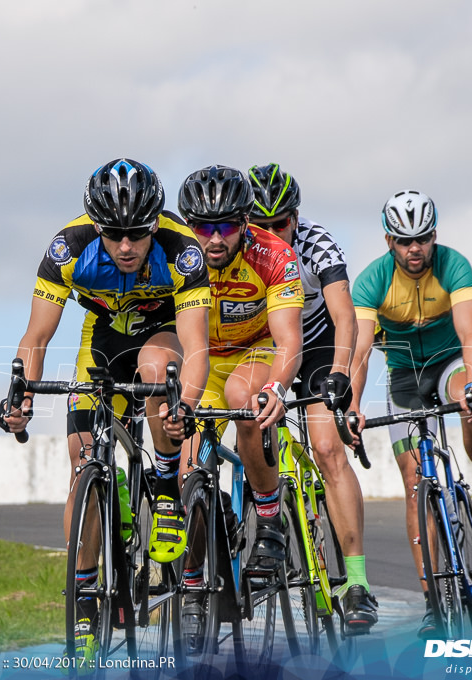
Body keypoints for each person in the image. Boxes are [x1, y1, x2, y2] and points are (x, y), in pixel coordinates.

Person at [0, 158, 211, 660]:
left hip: (162, 333)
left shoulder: (183, 251)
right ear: (96, 226)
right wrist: (21, 394)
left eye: (137, 234)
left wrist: (184, 406)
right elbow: (37, 335)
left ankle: (162, 486)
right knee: (83, 461)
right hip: (103, 340)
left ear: (155, 223)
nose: (126, 247)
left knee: (160, 370)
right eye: (114, 234)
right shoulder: (68, 248)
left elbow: (197, 346)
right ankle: (86, 596)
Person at [348, 190, 472, 639]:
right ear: (389, 241)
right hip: (403, 377)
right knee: (416, 483)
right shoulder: (372, 281)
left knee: (470, 401)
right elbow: (360, 352)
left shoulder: (455, 265)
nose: (414, 249)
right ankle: (431, 604)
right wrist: (354, 405)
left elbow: (471, 333)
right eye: (403, 240)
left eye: (422, 238)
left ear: (434, 236)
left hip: (449, 364)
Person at [172, 165, 304, 643]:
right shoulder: (174, 257)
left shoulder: (273, 255)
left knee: (245, 401)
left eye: (226, 225)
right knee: (188, 476)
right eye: (202, 227)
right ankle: (190, 585)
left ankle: (269, 516)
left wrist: (278, 389)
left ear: (245, 222)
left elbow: (289, 338)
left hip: (255, 351)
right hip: (200, 358)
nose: (214, 237)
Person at [247, 162, 378, 631]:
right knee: (249, 420)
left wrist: (341, 372)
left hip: (320, 342)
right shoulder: (239, 250)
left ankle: (358, 582)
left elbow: (346, 316)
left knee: (327, 447)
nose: (270, 234)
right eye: (258, 225)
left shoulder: (317, 242)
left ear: (296, 217)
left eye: (279, 224)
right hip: (270, 345)